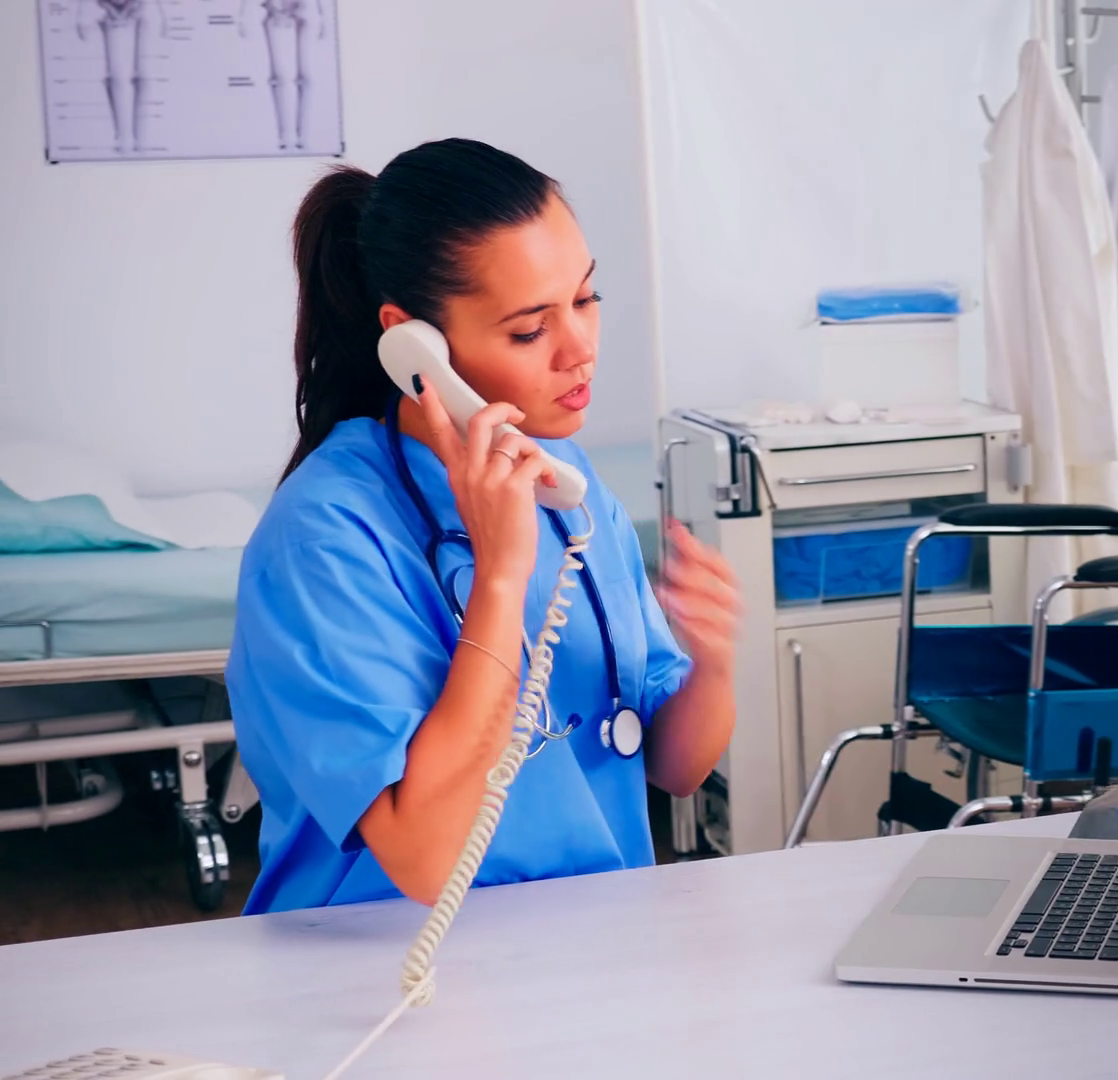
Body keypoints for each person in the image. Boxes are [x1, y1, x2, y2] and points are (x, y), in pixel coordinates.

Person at [227, 138, 739, 913]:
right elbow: (427, 861)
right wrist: (501, 578)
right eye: (530, 329)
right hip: (379, 974)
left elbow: (674, 767)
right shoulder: (324, 539)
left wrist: (714, 661)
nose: (582, 348)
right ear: (413, 345)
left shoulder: (568, 484)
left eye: (586, 299)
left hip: (593, 948)